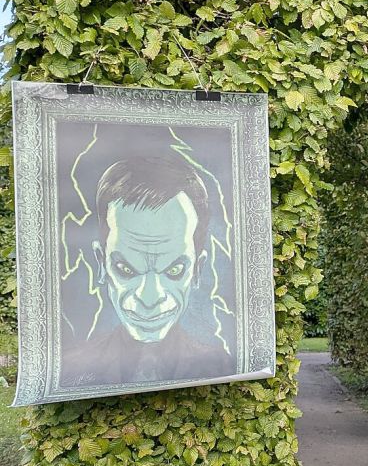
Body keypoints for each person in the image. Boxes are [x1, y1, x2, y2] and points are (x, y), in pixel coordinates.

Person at [60, 156, 236, 387]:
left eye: (174, 270)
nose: (149, 299)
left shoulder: (223, 367)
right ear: (101, 263)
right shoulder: (70, 369)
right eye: (126, 270)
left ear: (197, 269)